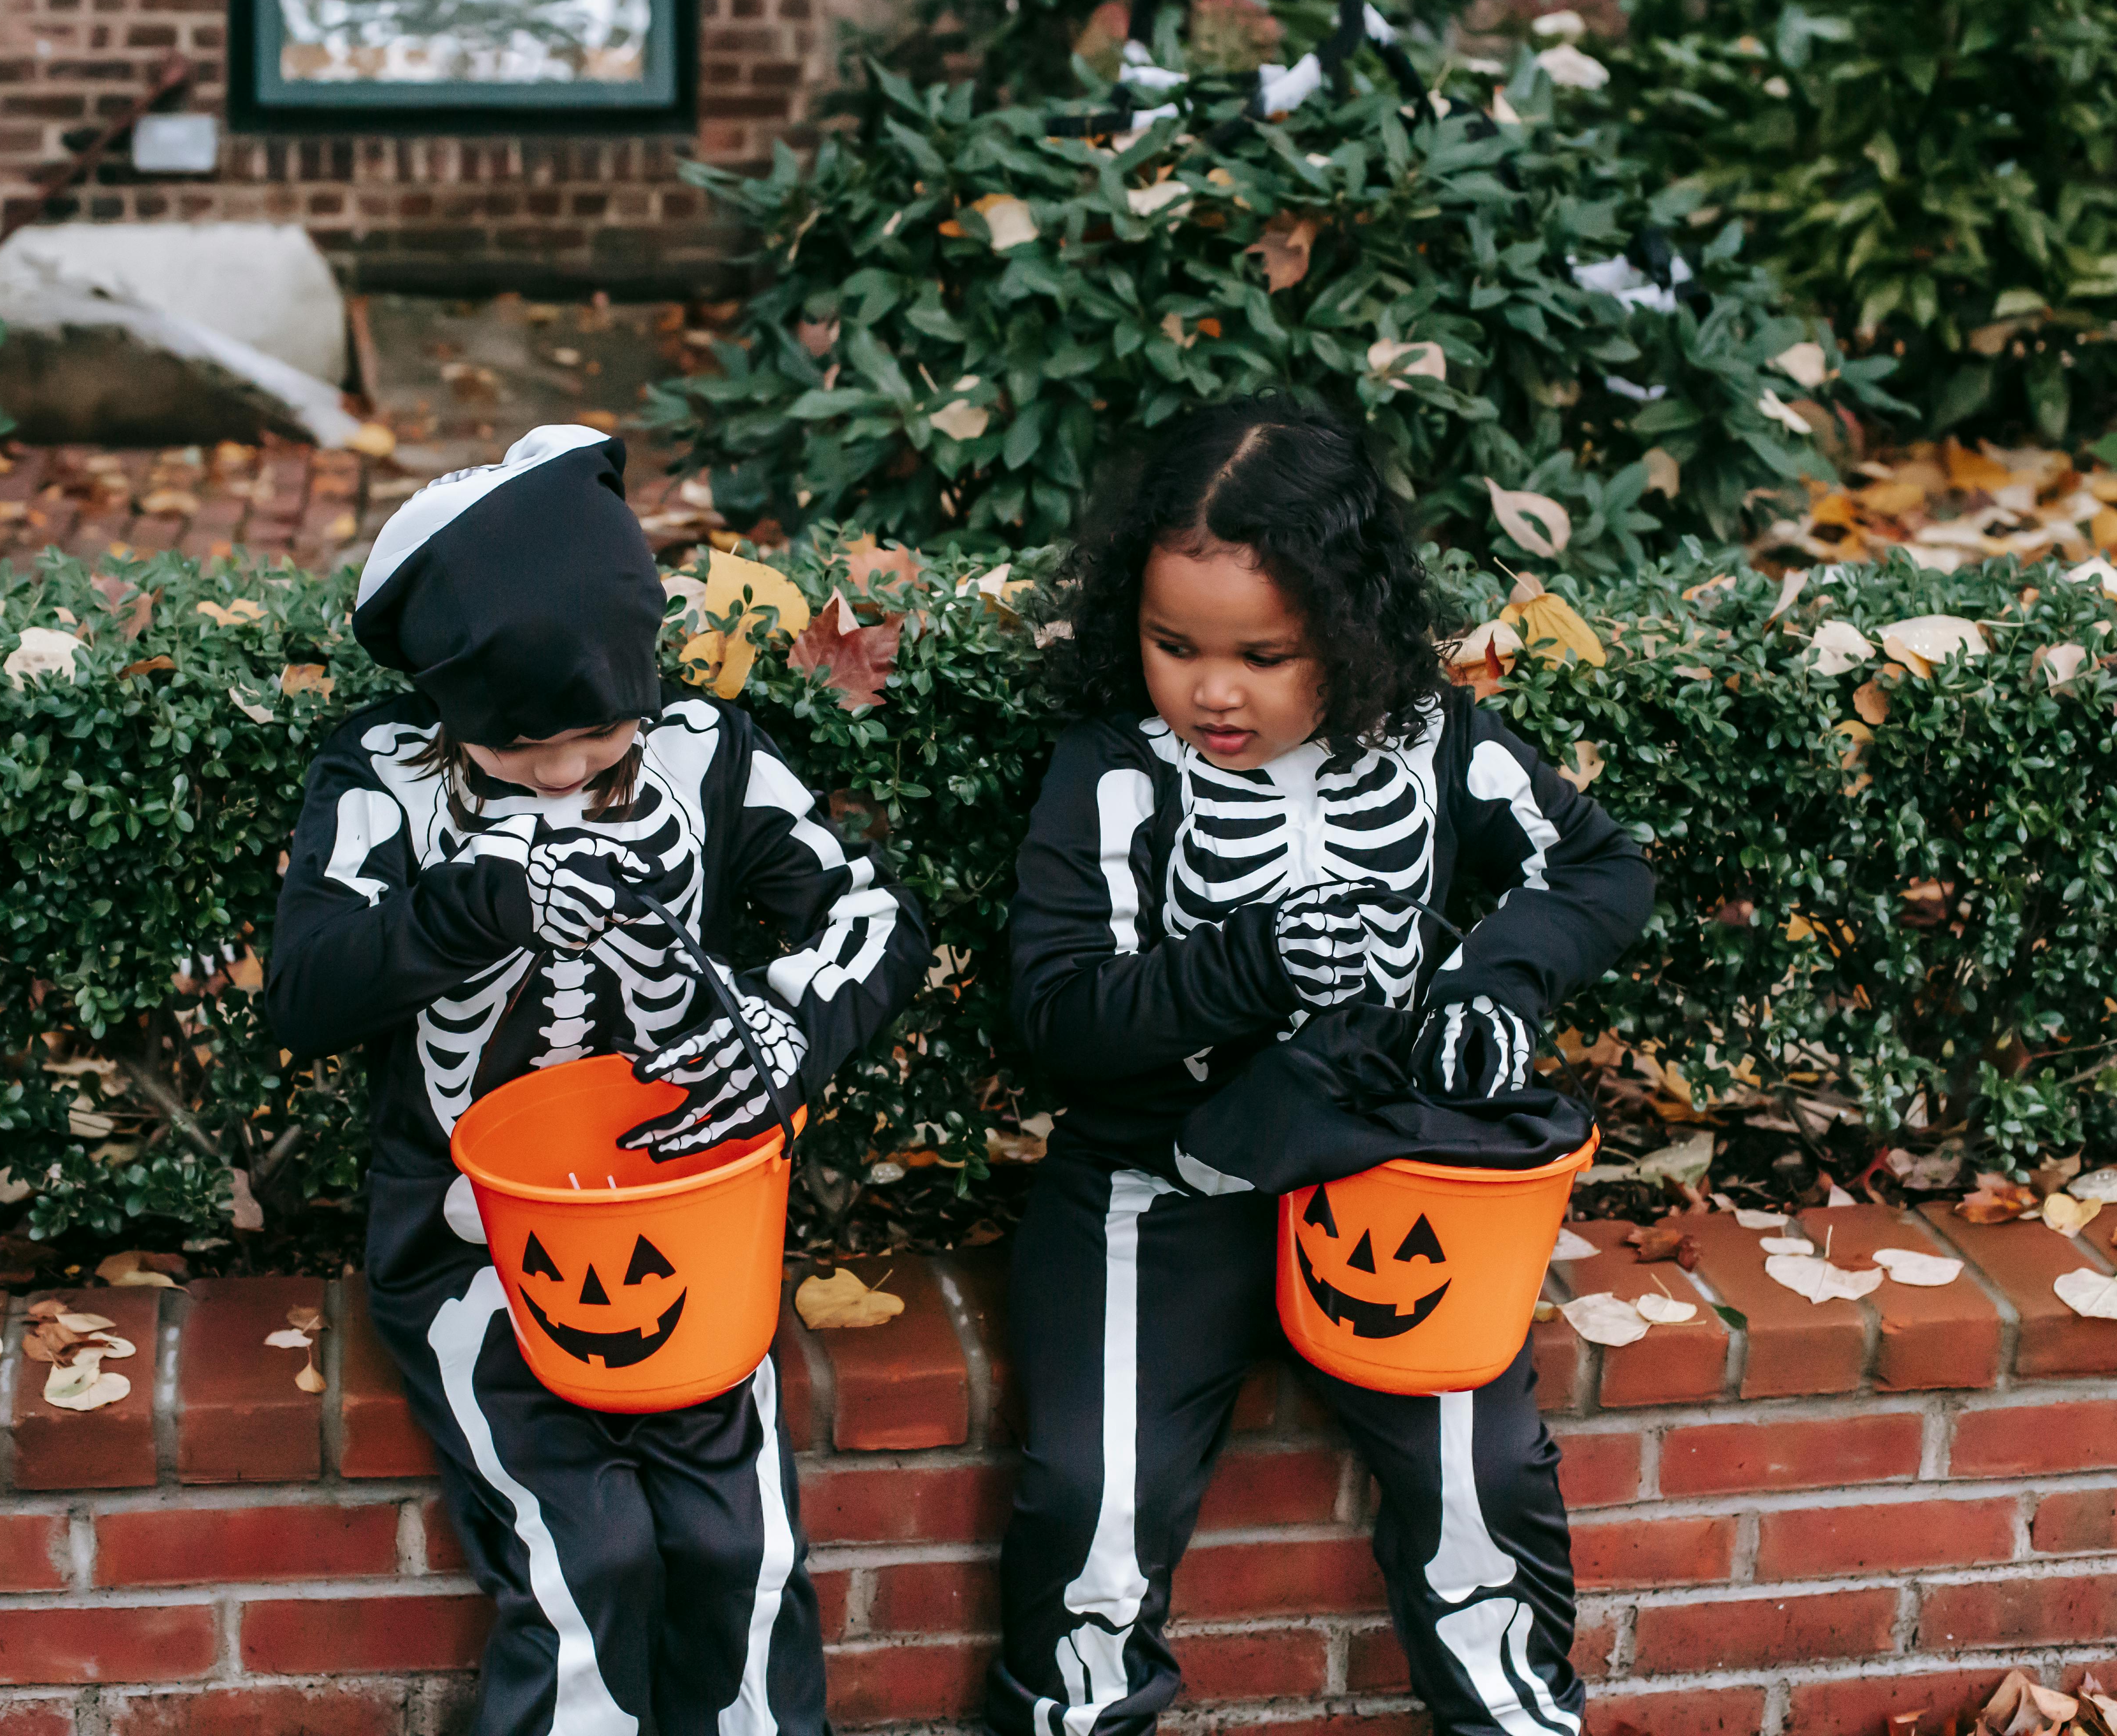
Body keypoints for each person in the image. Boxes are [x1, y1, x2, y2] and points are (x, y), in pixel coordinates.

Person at [992, 396, 1654, 1736]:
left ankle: (1519, 1722)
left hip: (1386, 1175)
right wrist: (1242, 966)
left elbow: (1599, 866)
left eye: (1264, 654)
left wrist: (1490, 985)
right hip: (1156, 1183)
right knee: (1089, 1502)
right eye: (1173, 646)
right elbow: (1053, 1019)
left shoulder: (1432, 741)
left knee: (1482, 1487)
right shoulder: (1117, 772)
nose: (1213, 691)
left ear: (1344, 630)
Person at [267, 425, 931, 1736]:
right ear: (457, 713)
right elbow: (307, 988)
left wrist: (789, 1034)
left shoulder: (705, 751)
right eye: (522, 755)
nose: (569, 775)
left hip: (691, 1227)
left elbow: (870, 919)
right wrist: (472, 906)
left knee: (743, 1557)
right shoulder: (384, 777)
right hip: (471, 1247)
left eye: (602, 746)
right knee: (588, 1565)